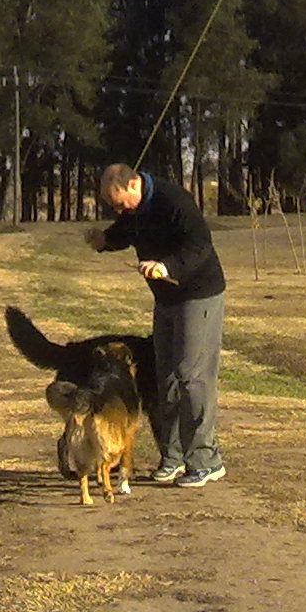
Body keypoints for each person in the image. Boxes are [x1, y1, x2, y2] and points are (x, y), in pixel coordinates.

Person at [89, 162, 226, 486]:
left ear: (134, 184)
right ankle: (173, 457)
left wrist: (166, 266)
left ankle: (207, 460)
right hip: (165, 301)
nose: (119, 209)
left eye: (121, 203)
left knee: (192, 377)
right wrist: (104, 240)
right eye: (114, 206)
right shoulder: (133, 211)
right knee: (165, 378)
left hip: (198, 294)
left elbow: (200, 247)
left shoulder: (174, 200)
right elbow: (125, 232)